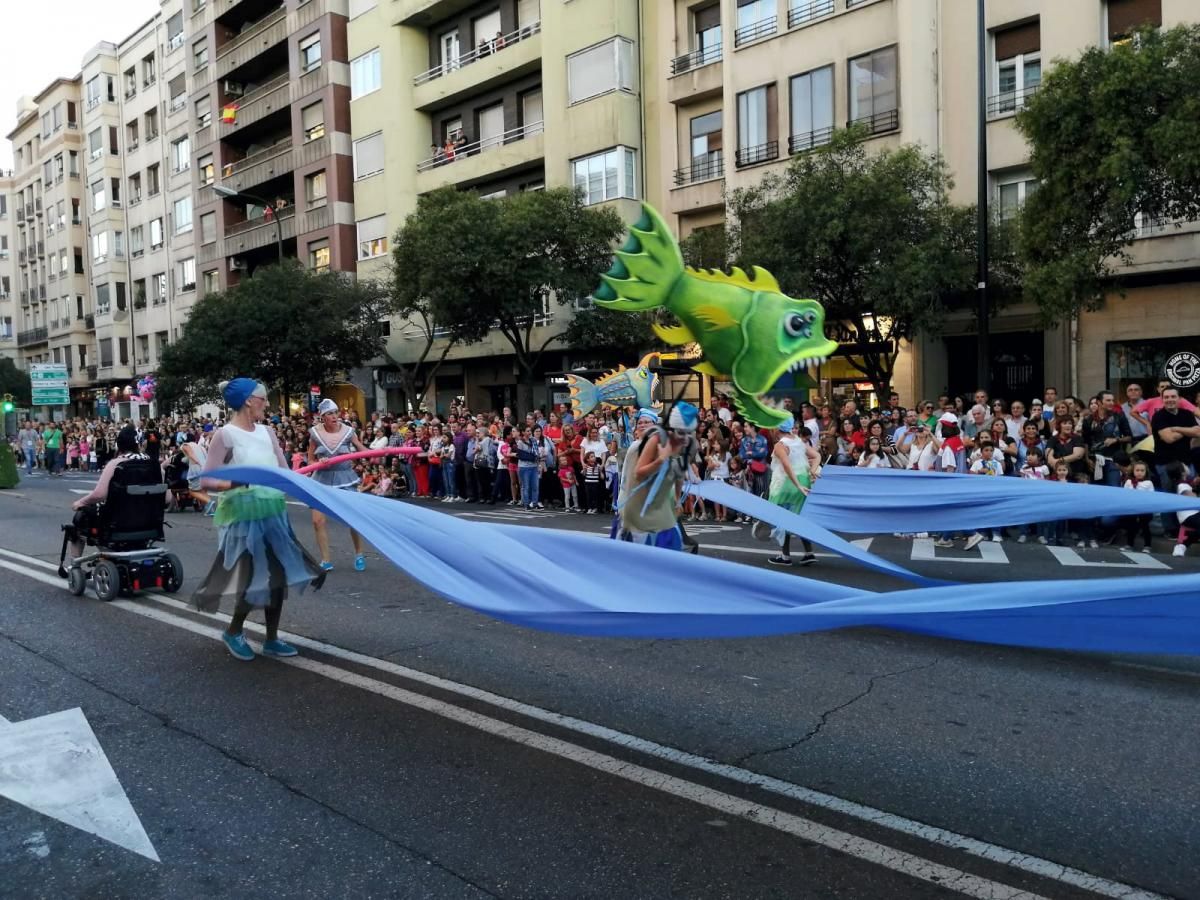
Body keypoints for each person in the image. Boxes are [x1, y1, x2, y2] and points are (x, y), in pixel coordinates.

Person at [193, 378, 325, 662]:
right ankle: (233, 631)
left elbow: (284, 471)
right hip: (242, 515)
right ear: (249, 400)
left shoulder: (268, 432)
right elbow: (206, 480)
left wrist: (314, 484)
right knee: (255, 577)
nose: (267, 404)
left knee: (277, 575)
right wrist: (236, 484)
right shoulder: (225, 435)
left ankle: (272, 638)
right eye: (264, 399)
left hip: (273, 511)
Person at [615, 403, 699, 550]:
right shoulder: (636, 446)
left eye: (647, 422)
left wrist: (678, 500)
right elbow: (637, 475)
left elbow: (678, 474)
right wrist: (661, 461)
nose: (642, 425)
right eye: (640, 422)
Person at [62, 426, 148, 564]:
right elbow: (167, 498)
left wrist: (81, 503)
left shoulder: (116, 464)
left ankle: (75, 564)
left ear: (119, 444)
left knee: (80, 518)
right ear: (142, 442)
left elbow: (99, 494)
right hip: (148, 520)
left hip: (120, 520)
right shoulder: (155, 465)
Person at [307, 398, 368, 572]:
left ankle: (359, 554)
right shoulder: (315, 433)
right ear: (323, 417)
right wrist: (319, 462)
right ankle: (326, 560)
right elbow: (310, 459)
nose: (334, 417)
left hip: (345, 477)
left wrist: (378, 453)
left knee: (353, 519)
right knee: (317, 521)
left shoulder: (348, 431)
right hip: (321, 479)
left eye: (335, 413)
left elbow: (360, 448)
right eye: (329, 414)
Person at [752, 418, 821, 567]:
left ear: (776, 428)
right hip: (803, 481)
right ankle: (809, 553)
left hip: (785, 484)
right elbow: (817, 456)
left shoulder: (780, 445)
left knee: (782, 518)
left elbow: (786, 466)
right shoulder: (797, 440)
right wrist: (813, 471)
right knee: (798, 517)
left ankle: (785, 556)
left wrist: (796, 484)